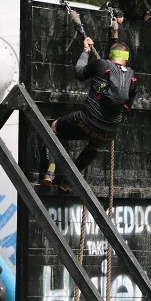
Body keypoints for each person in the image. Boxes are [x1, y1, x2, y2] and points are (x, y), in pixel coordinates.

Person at [42, 37, 137, 191]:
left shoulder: (102, 64)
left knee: (54, 127)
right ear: (126, 59)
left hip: (86, 121)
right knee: (95, 146)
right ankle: (67, 182)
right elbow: (127, 106)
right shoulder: (132, 77)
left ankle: (50, 172)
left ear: (111, 55)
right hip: (109, 132)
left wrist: (86, 50)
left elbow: (79, 73)